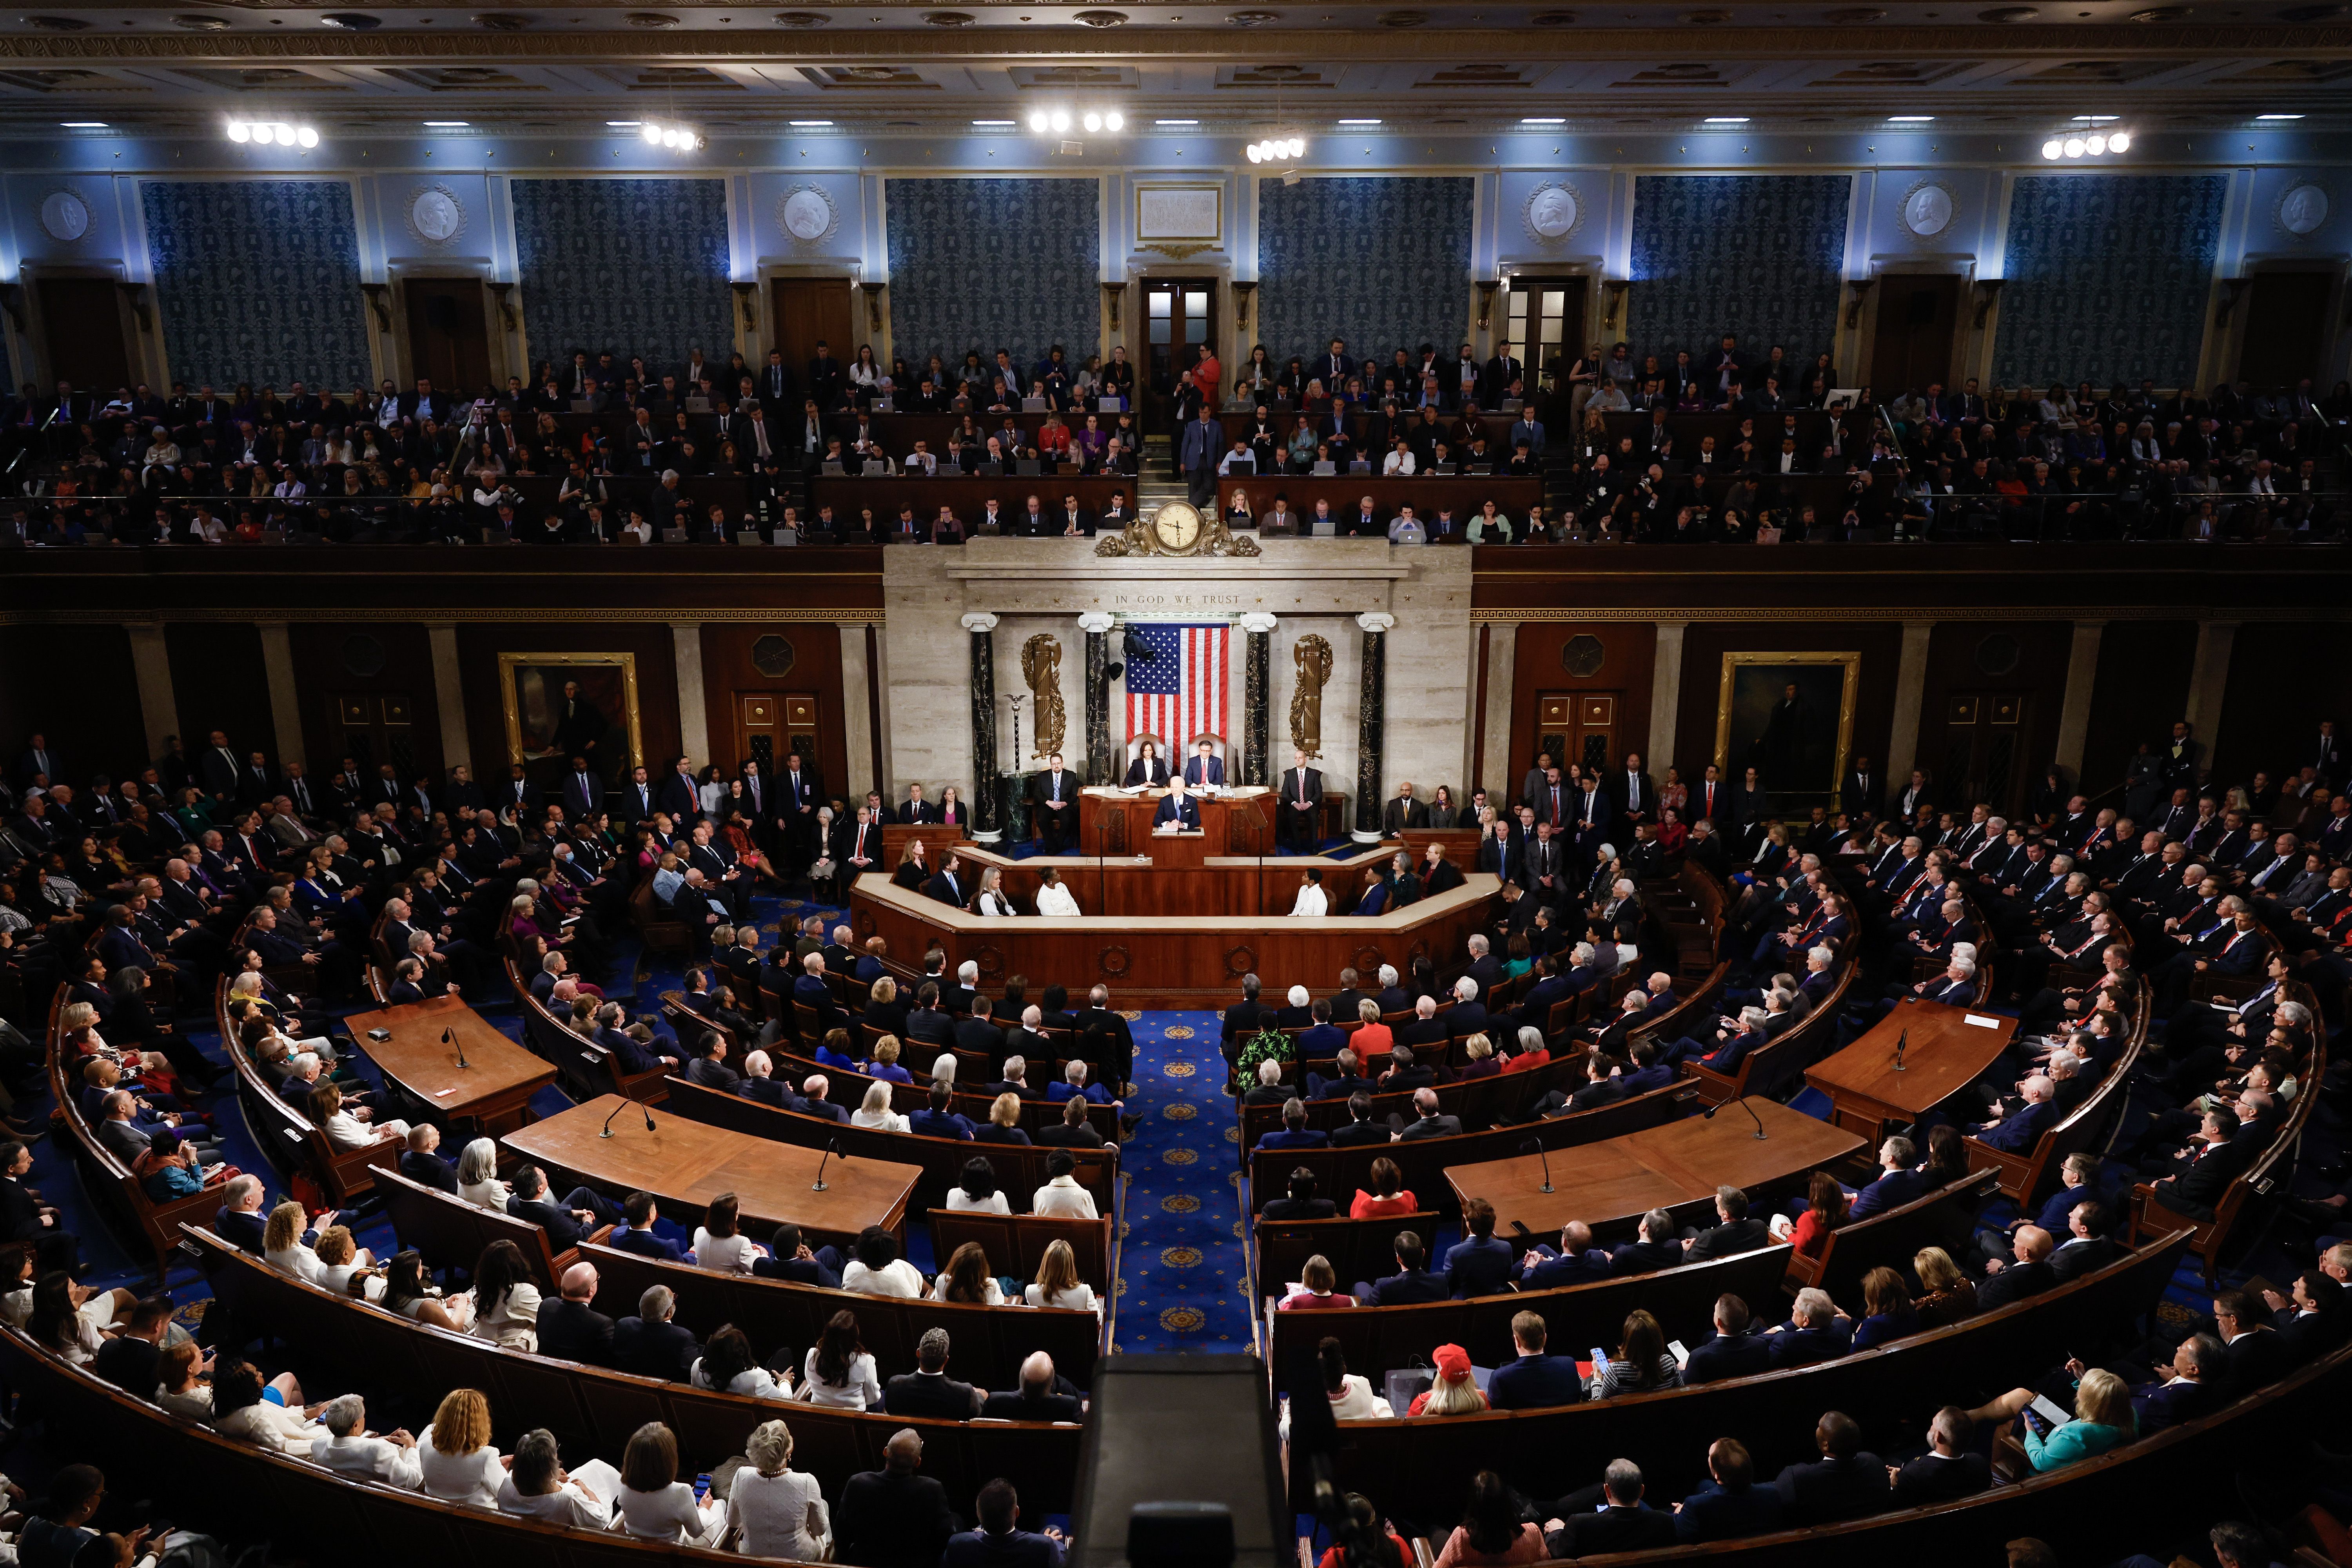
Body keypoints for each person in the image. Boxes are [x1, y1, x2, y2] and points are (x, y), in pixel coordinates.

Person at [833, 1428, 960, 1568]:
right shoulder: (932, 1489)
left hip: (863, 1561)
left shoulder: (857, 1483)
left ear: (886, 1452)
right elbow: (945, 1537)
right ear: (918, 1462)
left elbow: (841, 1532)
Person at [726, 1419, 830, 1561]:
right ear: (788, 1452)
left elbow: (732, 1522)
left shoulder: (741, 1476)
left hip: (752, 1557)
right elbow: (820, 1530)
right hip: (799, 1560)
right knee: (823, 1506)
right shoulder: (807, 1482)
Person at [616, 1421, 724, 1544]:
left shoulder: (624, 1483)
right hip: (670, 1552)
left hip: (634, 1546)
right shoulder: (681, 1491)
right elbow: (696, 1531)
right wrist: (704, 1508)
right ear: (669, 1459)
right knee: (720, 1505)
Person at [1433, 1470, 1546, 1565]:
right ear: (1507, 1502)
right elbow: (1550, 1565)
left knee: (1434, 1529)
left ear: (1473, 1506)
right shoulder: (1534, 1533)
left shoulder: (1461, 1539)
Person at [417, 1388, 506, 1508]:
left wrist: (495, 1465)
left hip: (435, 1515)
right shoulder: (486, 1456)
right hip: (478, 1522)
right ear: (480, 1421)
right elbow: (506, 1495)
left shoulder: (426, 1446)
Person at [1486, 1309, 1586, 1409]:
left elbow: (1495, 1412)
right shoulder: (1568, 1365)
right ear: (1545, 1338)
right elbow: (1577, 1398)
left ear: (1516, 1340)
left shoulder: (1500, 1377)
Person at [798, 1308, 882, 1409]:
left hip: (821, 1414)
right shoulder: (865, 1361)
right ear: (855, 1335)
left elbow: (810, 1383)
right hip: (853, 1418)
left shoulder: (812, 1355)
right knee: (884, 1395)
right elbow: (873, 1399)